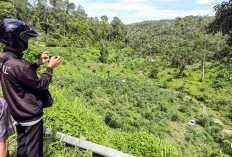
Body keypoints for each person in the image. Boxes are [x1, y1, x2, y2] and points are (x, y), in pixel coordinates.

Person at [0, 19, 61, 157]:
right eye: (25, 38)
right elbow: (40, 85)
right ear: (17, 39)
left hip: (17, 112)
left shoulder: (3, 59)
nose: (26, 41)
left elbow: (19, 76)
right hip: (30, 115)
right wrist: (50, 68)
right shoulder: (19, 65)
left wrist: (37, 63)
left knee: (22, 148)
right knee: (34, 152)